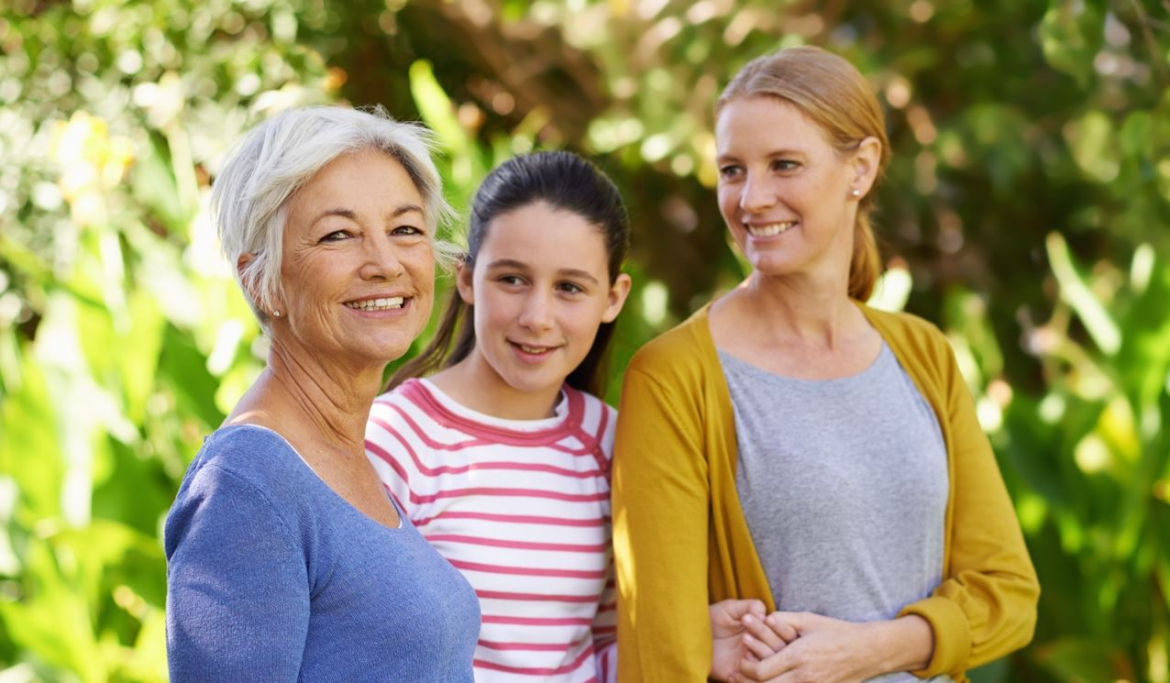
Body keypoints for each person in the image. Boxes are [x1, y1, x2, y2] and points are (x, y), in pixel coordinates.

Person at [612, 46, 1040, 683]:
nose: (753, 198)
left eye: (784, 164)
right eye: (732, 170)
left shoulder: (923, 355)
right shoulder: (675, 377)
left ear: (860, 168)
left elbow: (1008, 593)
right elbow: (662, 653)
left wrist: (876, 648)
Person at [364, 151, 762, 683]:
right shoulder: (394, 439)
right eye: (511, 280)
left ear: (613, 298)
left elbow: (604, 646)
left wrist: (692, 641)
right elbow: (358, 641)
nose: (537, 317)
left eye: (570, 288)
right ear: (465, 278)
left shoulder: (612, 441)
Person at [164, 106, 480, 682]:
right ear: (263, 281)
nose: (386, 263)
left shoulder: (348, 458)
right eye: (339, 235)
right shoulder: (246, 488)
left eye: (405, 229)